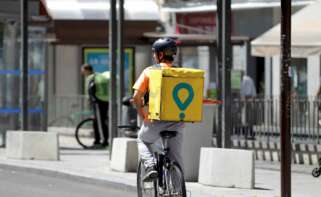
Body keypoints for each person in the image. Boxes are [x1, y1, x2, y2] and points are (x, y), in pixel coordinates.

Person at [132, 37, 184, 182]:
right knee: (175, 158)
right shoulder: (181, 72)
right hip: (178, 121)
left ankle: (150, 167)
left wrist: (141, 112)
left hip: (155, 120)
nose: (154, 55)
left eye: (155, 53)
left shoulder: (150, 71)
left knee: (142, 140)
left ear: (160, 54)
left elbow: (137, 96)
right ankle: (177, 188)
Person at [81, 64, 109, 148]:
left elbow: (90, 90)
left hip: (97, 102)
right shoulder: (97, 76)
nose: (82, 72)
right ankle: (99, 140)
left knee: (100, 121)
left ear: (87, 70)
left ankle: (103, 141)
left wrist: (91, 100)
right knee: (99, 121)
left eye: (82, 70)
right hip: (104, 101)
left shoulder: (90, 78)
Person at [240, 74, 257, 139]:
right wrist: (253, 99)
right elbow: (253, 91)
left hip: (245, 99)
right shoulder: (250, 79)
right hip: (250, 99)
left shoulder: (243, 80)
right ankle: (250, 132)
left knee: (245, 117)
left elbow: (242, 90)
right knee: (250, 117)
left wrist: (242, 99)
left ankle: (245, 133)